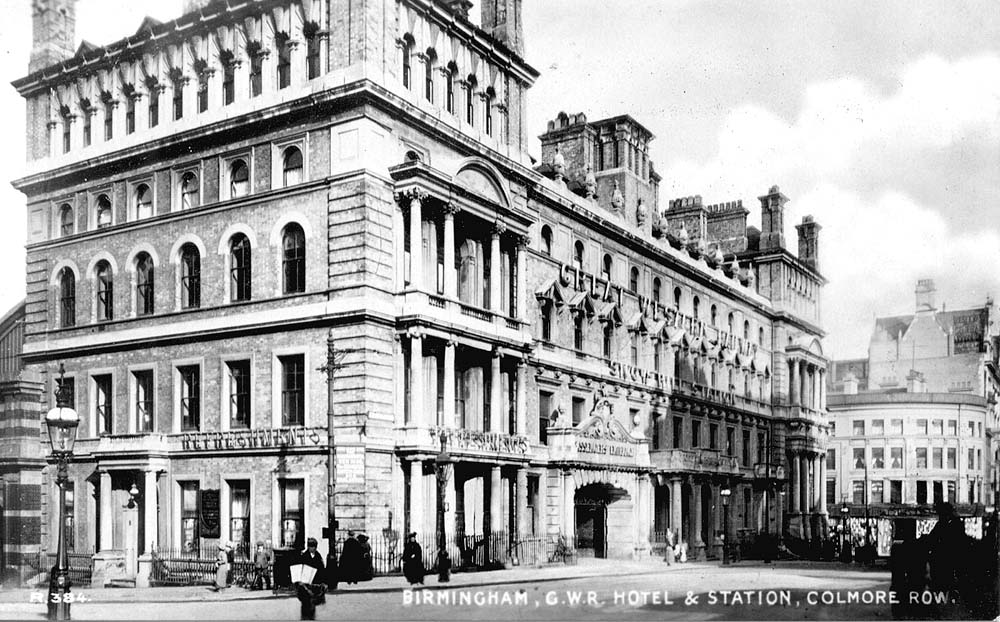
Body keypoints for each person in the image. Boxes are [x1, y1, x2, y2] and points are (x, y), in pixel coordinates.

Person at [296, 538, 327, 620]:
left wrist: (323, 581)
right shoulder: (304, 556)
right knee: (305, 603)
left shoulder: (318, 556)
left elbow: (322, 569)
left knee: (312, 603)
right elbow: (300, 568)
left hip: (315, 583)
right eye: (310, 547)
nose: (312, 549)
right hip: (305, 583)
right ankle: (305, 617)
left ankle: (311, 617)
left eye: (313, 547)